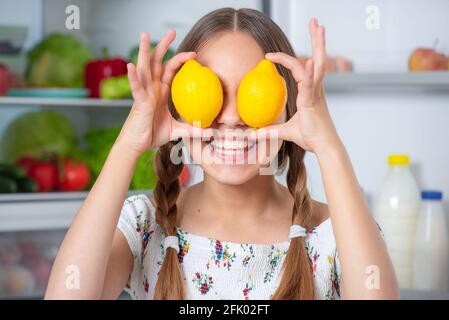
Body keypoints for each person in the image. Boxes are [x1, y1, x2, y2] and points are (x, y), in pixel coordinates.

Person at [45, 8, 399, 300]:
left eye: (251, 94)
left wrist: (329, 147)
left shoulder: (333, 234)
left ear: (289, 108)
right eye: (211, 92)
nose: (230, 118)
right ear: (177, 109)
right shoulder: (145, 225)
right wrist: (129, 144)